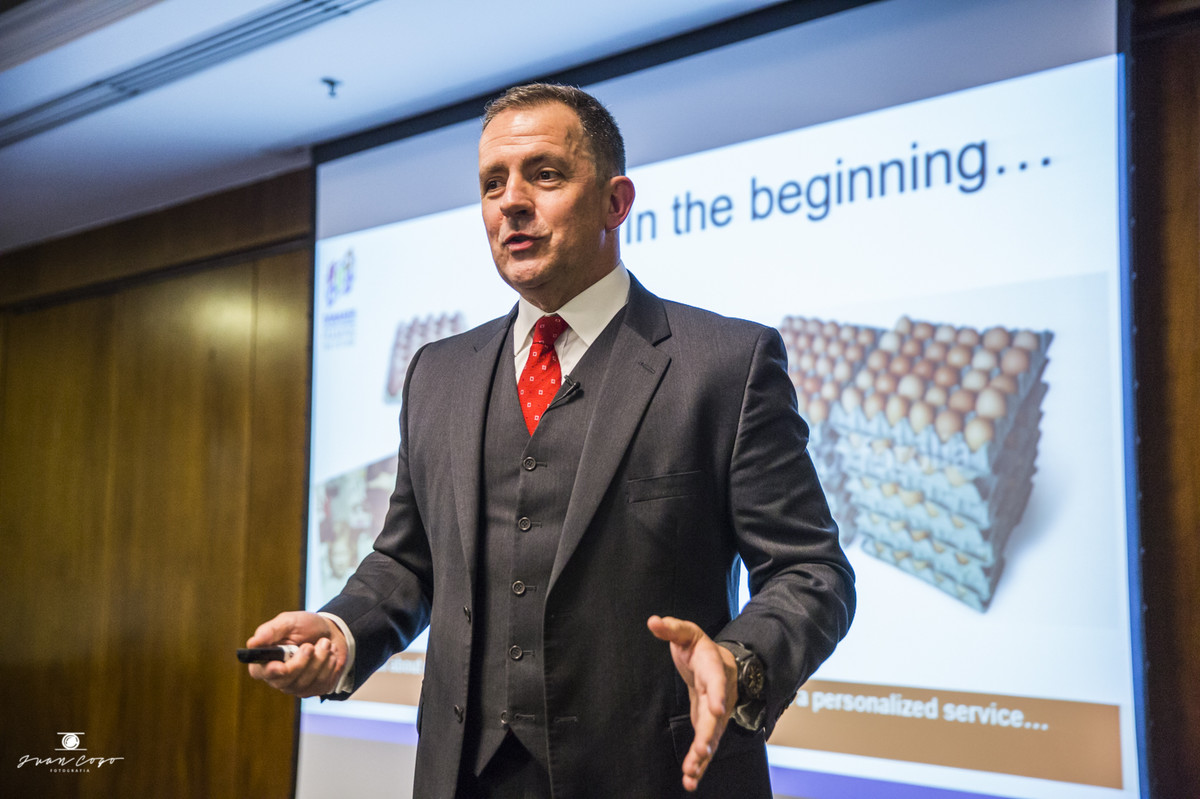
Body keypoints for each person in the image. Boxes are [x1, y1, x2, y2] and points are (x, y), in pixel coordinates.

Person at [247, 83, 855, 798]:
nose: (510, 201)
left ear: (615, 203)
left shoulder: (726, 363)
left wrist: (739, 658)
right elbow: (410, 560)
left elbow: (811, 571)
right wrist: (341, 631)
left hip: (655, 778)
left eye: (544, 174)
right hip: (464, 777)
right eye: (491, 183)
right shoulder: (438, 373)